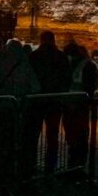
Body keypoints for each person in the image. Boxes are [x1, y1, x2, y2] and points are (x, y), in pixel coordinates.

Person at [27, 30, 72, 174]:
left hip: (37, 100)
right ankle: (50, 165)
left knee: (33, 134)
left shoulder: (33, 56)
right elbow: (67, 78)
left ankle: (30, 164)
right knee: (52, 135)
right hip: (54, 100)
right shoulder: (61, 57)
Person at [63, 43, 98, 171]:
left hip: (74, 105)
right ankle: (76, 165)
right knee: (78, 136)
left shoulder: (78, 65)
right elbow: (95, 85)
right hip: (77, 105)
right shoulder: (87, 64)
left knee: (76, 136)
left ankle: (76, 165)